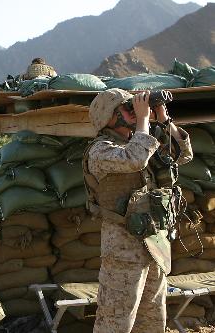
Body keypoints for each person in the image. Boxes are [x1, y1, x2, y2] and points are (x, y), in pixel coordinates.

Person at [83, 88, 193, 333]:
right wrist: (143, 119)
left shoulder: (143, 139)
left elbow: (183, 154)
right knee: (116, 320)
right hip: (123, 247)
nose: (132, 112)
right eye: (125, 108)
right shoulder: (100, 151)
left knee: (153, 319)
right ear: (107, 117)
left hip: (155, 243)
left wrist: (163, 119)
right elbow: (135, 159)